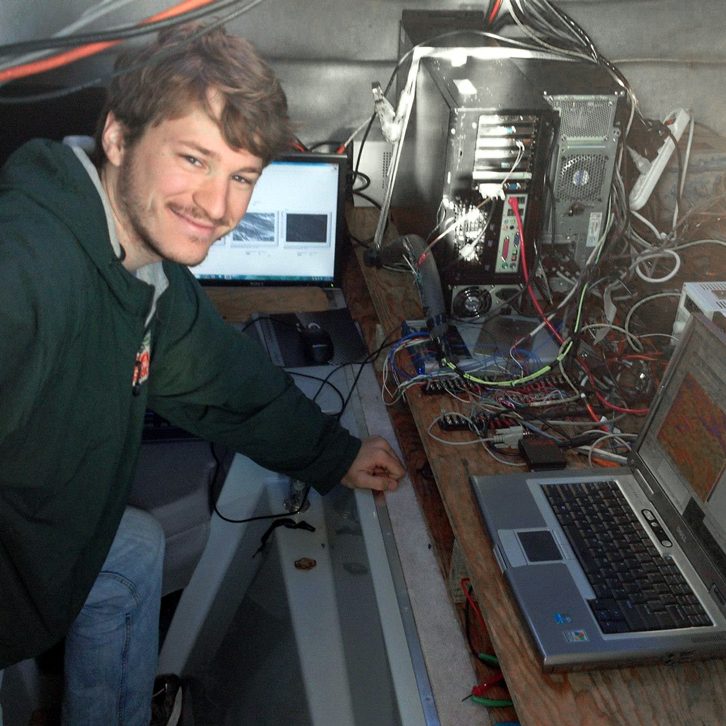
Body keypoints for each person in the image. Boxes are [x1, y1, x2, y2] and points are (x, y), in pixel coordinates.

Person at [0, 22, 405, 725]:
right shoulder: (28, 267)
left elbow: (222, 380)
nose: (218, 208)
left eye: (241, 176)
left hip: (44, 533)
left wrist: (333, 454)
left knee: (134, 551)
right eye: (193, 159)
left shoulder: (142, 266)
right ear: (121, 138)